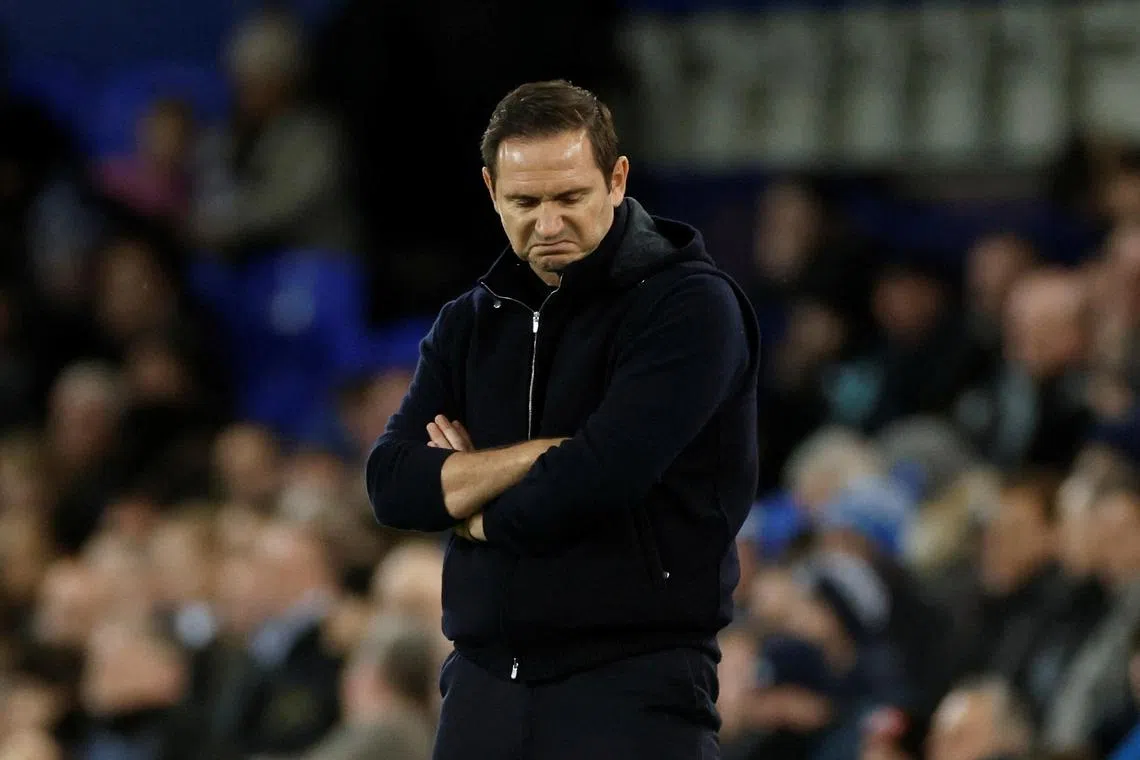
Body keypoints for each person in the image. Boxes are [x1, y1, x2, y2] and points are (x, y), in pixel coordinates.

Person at [365, 80, 760, 759]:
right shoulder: (470, 321)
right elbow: (392, 483)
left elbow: (598, 479)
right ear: (491, 190)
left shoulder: (689, 307)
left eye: (569, 198)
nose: (548, 226)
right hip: (483, 686)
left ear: (617, 179)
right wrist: (539, 456)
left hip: (633, 687)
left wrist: (471, 507)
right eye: (525, 202)